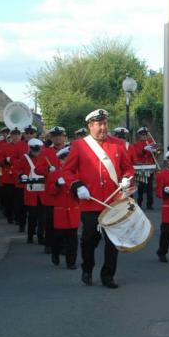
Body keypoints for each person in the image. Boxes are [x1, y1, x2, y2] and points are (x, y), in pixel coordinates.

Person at [62, 109, 134, 288]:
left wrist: (127, 178)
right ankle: (87, 268)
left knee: (112, 241)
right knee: (89, 239)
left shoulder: (118, 144)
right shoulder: (79, 145)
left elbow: (128, 168)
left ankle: (108, 275)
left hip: (113, 202)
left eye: (104, 124)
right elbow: (67, 171)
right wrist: (77, 185)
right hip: (91, 202)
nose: (103, 128)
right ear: (90, 126)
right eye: (98, 124)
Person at [46, 146, 80, 269]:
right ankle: (55, 254)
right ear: (60, 160)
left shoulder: (78, 173)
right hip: (60, 211)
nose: (67, 162)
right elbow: (49, 191)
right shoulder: (54, 174)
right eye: (65, 159)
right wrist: (56, 185)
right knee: (58, 237)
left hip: (73, 209)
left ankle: (71, 262)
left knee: (72, 239)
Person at [35, 126, 65, 253]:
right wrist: (47, 170)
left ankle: (64, 247)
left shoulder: (71, 151)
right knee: (51, 220)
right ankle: (50, 244)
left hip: (65, 191)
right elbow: (37, 169)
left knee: (64, 221)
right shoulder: (45, 152)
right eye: (55, 136)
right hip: (51, 192)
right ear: (51, 138)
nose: (57, 138)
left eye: (60, 135)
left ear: (64, 137)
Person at [16, 138, 46, 245]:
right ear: (30, 148)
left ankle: (40, 236)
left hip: (43, 190)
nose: (36, 152)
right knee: (32, 216)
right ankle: (30, 236)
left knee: (42, 216)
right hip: (31, 191)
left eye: (38, 149)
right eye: (34, 149)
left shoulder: (44, 157)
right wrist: (21, 174)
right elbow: (18, 169)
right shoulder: (25, 158)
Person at [133, 126, 157, 210]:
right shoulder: (136, 144)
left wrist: (155, 151)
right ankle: (139, 202)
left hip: (150, 167)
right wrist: (144, 150)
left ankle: (149, 204)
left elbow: (156, 154)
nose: (144, 136)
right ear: (139, 135)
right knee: (141, 187)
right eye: (142, 135)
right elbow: (137, 154)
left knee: (149, 187)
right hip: (141, 167)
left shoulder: (151, 142)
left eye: (145, 135)